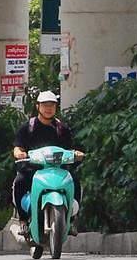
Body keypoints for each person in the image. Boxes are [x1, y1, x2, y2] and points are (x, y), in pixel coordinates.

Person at [11, 91, 84, 233]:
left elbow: (70, 149)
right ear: (38, 106)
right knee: (19, 182)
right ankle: (23, 220)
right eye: (45, 105)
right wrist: (19, 153)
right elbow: (17, 146)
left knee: (75, 182)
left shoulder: (62, 129)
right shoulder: (27, 128)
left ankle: (72, 219)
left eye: (52, 105)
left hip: (59, 170)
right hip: (32, 169)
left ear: (56, 107)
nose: (48, 108)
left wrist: (76, 154)